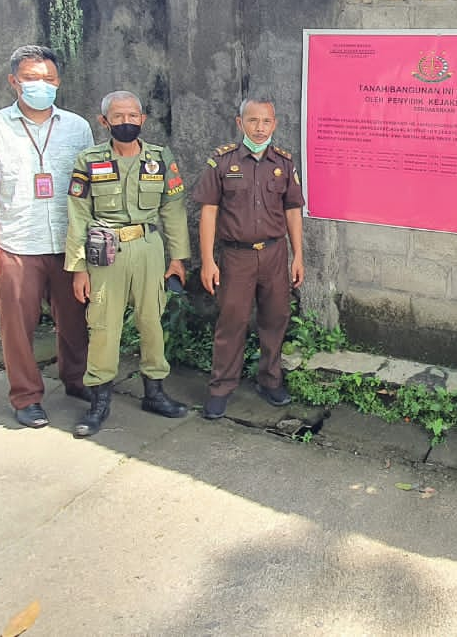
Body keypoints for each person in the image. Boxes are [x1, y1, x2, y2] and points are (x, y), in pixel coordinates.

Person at [0, 45, 95, 429]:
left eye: (49, 79)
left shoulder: (77, 127)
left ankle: (77, 379)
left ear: (58, 82)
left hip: (68, 245)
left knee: (75, 321)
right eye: (32, 78)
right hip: (17, 243)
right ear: (14, 81)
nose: (41, 85)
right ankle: (26, 396)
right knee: (17, 326)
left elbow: (89, 186)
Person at [64, 91, 193, 438]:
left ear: (143, 119)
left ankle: (155, 392)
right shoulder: (89, 160)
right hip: (105, 252)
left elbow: (173, 210)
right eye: (118, 117)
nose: (126, 122)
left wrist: (177, 259)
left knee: (152, 320)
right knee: (103, 326)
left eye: (133, 116)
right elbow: (78, 215)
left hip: (149, 248)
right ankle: (99, 400)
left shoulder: (159, 158)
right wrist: (77, 268)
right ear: (103, 121)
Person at [193, 97, 306, 420]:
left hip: (274, 254)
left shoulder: (283, 163)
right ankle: (221, 387)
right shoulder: (222, 163)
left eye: (266, 121)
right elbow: (209, 213)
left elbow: (293, 211)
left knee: (275, 318)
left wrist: (298, 255)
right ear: (239, 122)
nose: (260, 128)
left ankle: (269, 380)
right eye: (252, 121)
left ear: (275, 124)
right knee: (232, 321)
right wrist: (207, 260)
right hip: (236, 257)